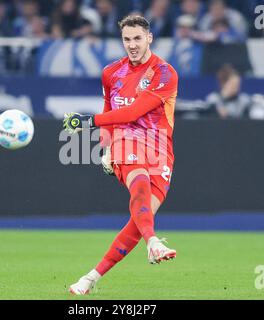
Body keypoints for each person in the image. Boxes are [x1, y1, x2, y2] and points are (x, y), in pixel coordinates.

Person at [62, 15, 178, 295]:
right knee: (139, 185)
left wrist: (88, 122)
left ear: (149, 37)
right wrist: (106, 145)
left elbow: (134, 111)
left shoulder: (164, 73)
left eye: (138, 38)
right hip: (126, 141)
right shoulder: (111, 73)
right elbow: (114, 117)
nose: (132, 45)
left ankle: (90, 278)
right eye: (127, 39)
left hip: (160, 148)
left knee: (140, 219)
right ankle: (154, 242)